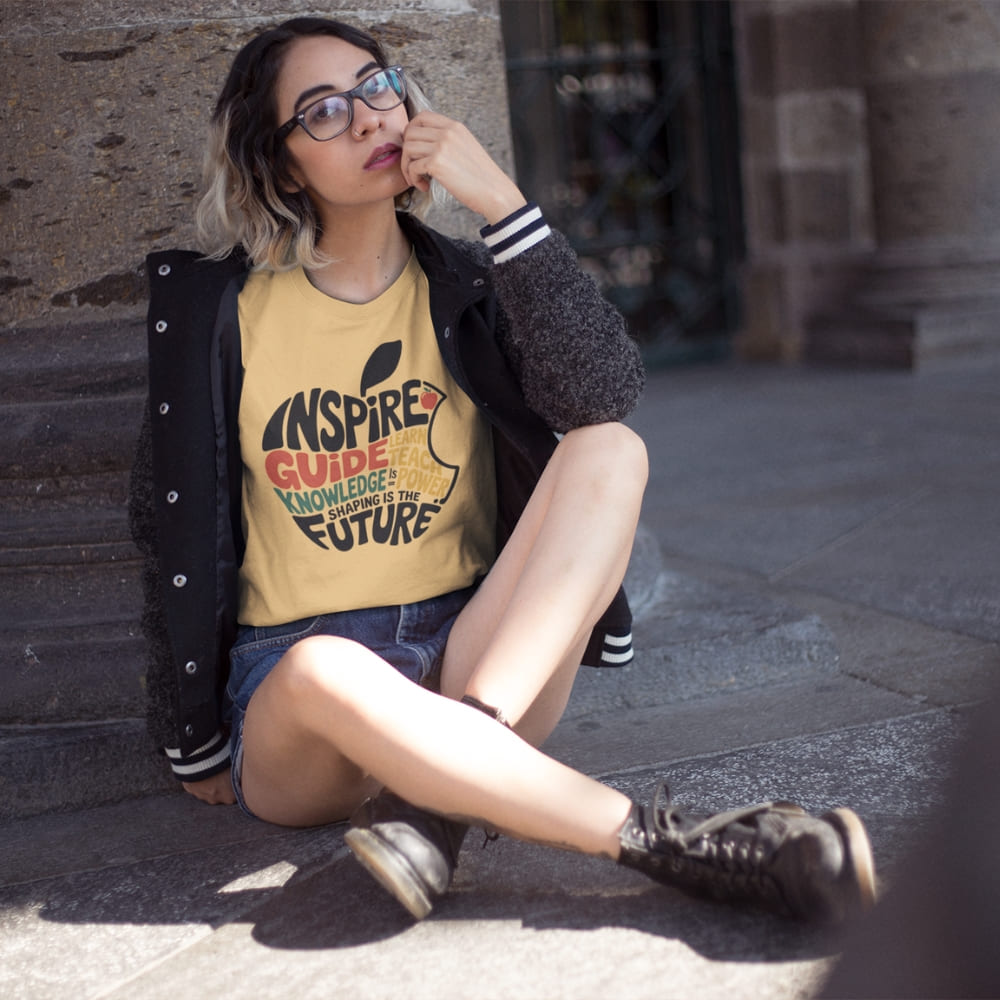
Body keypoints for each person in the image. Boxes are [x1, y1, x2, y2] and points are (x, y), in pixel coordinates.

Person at [128, 16, 876, 925]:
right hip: (298, 695)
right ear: (281, 163)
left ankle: (441, 790)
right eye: (323, 111)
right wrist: (192, 741)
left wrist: (504, 206)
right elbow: (162, 518)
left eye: (376, 87)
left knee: (612, 447)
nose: (368, 119)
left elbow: (603, 391)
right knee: (329, 666)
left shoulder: (469, 282)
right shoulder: (220, 311)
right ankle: (678, 845)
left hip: (478, 660)